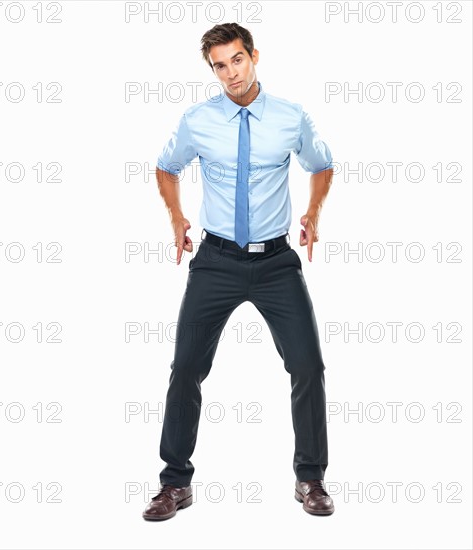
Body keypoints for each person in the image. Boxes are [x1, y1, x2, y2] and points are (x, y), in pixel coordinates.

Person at [143, 22, 335, 520]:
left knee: (308, 366)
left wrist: (313, 213)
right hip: (216, 261)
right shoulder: (197, 120)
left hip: (276, 263)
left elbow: (323, 165)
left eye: (237, 60)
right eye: (219, 66)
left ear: (254, 56)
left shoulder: (291, 118)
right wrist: (177, 216)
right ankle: (174, 483)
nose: (230, 73)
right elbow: (166, 167)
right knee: (186, 368)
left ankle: (310, 478)